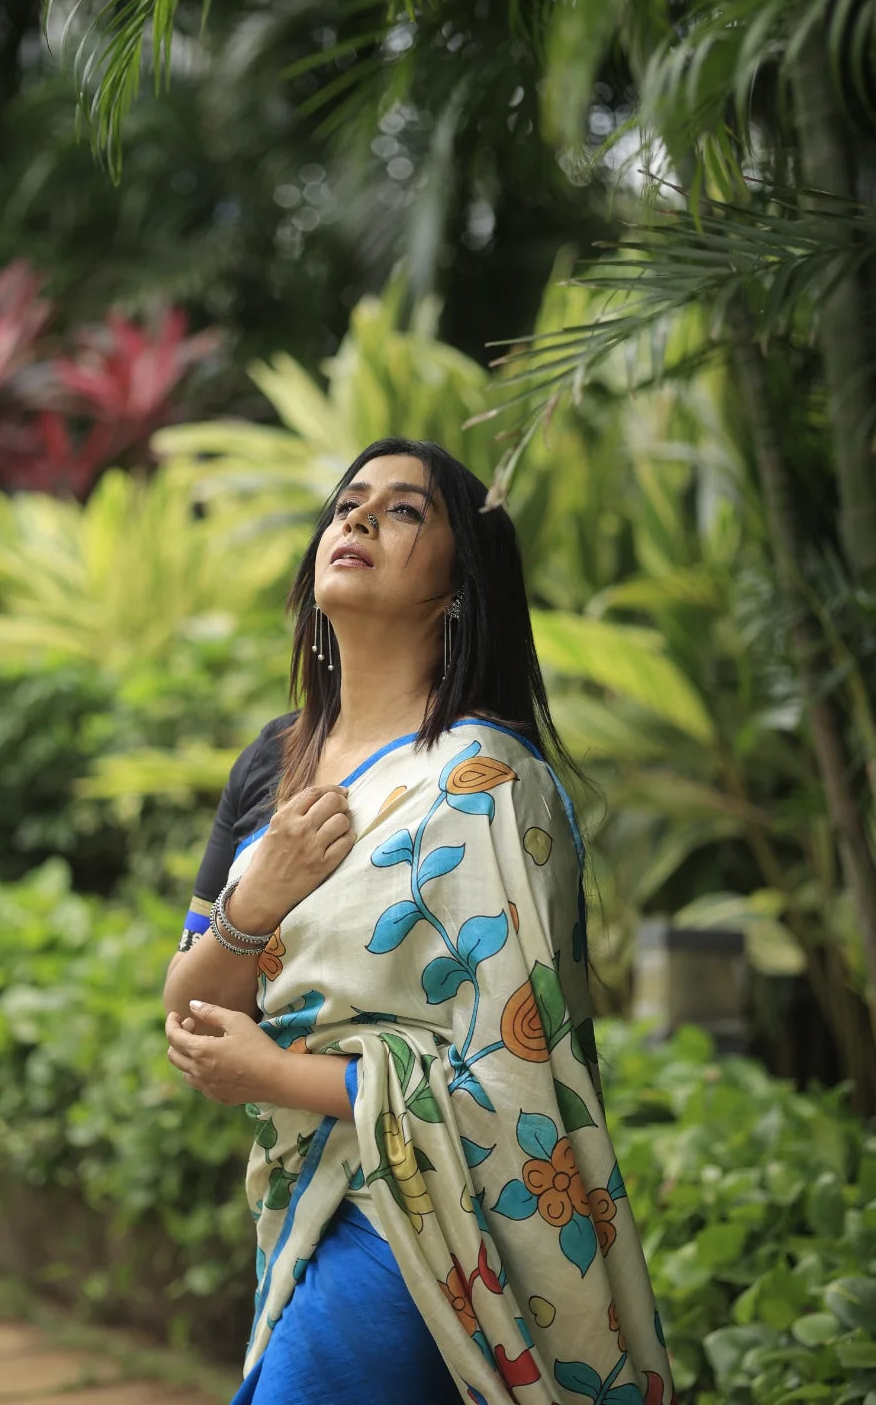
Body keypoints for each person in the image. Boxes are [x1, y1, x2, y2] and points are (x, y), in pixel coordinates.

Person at [164, 439, 675, 1405]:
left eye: (404, 511)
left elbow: (511, 1074)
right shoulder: (272, 764)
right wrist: (253, 902)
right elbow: (187, 1015)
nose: (355, 520)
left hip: (428, 1222)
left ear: (460, 585)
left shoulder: (484, 784)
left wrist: (274, 1073)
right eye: (347, 503)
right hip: (305, 1205)